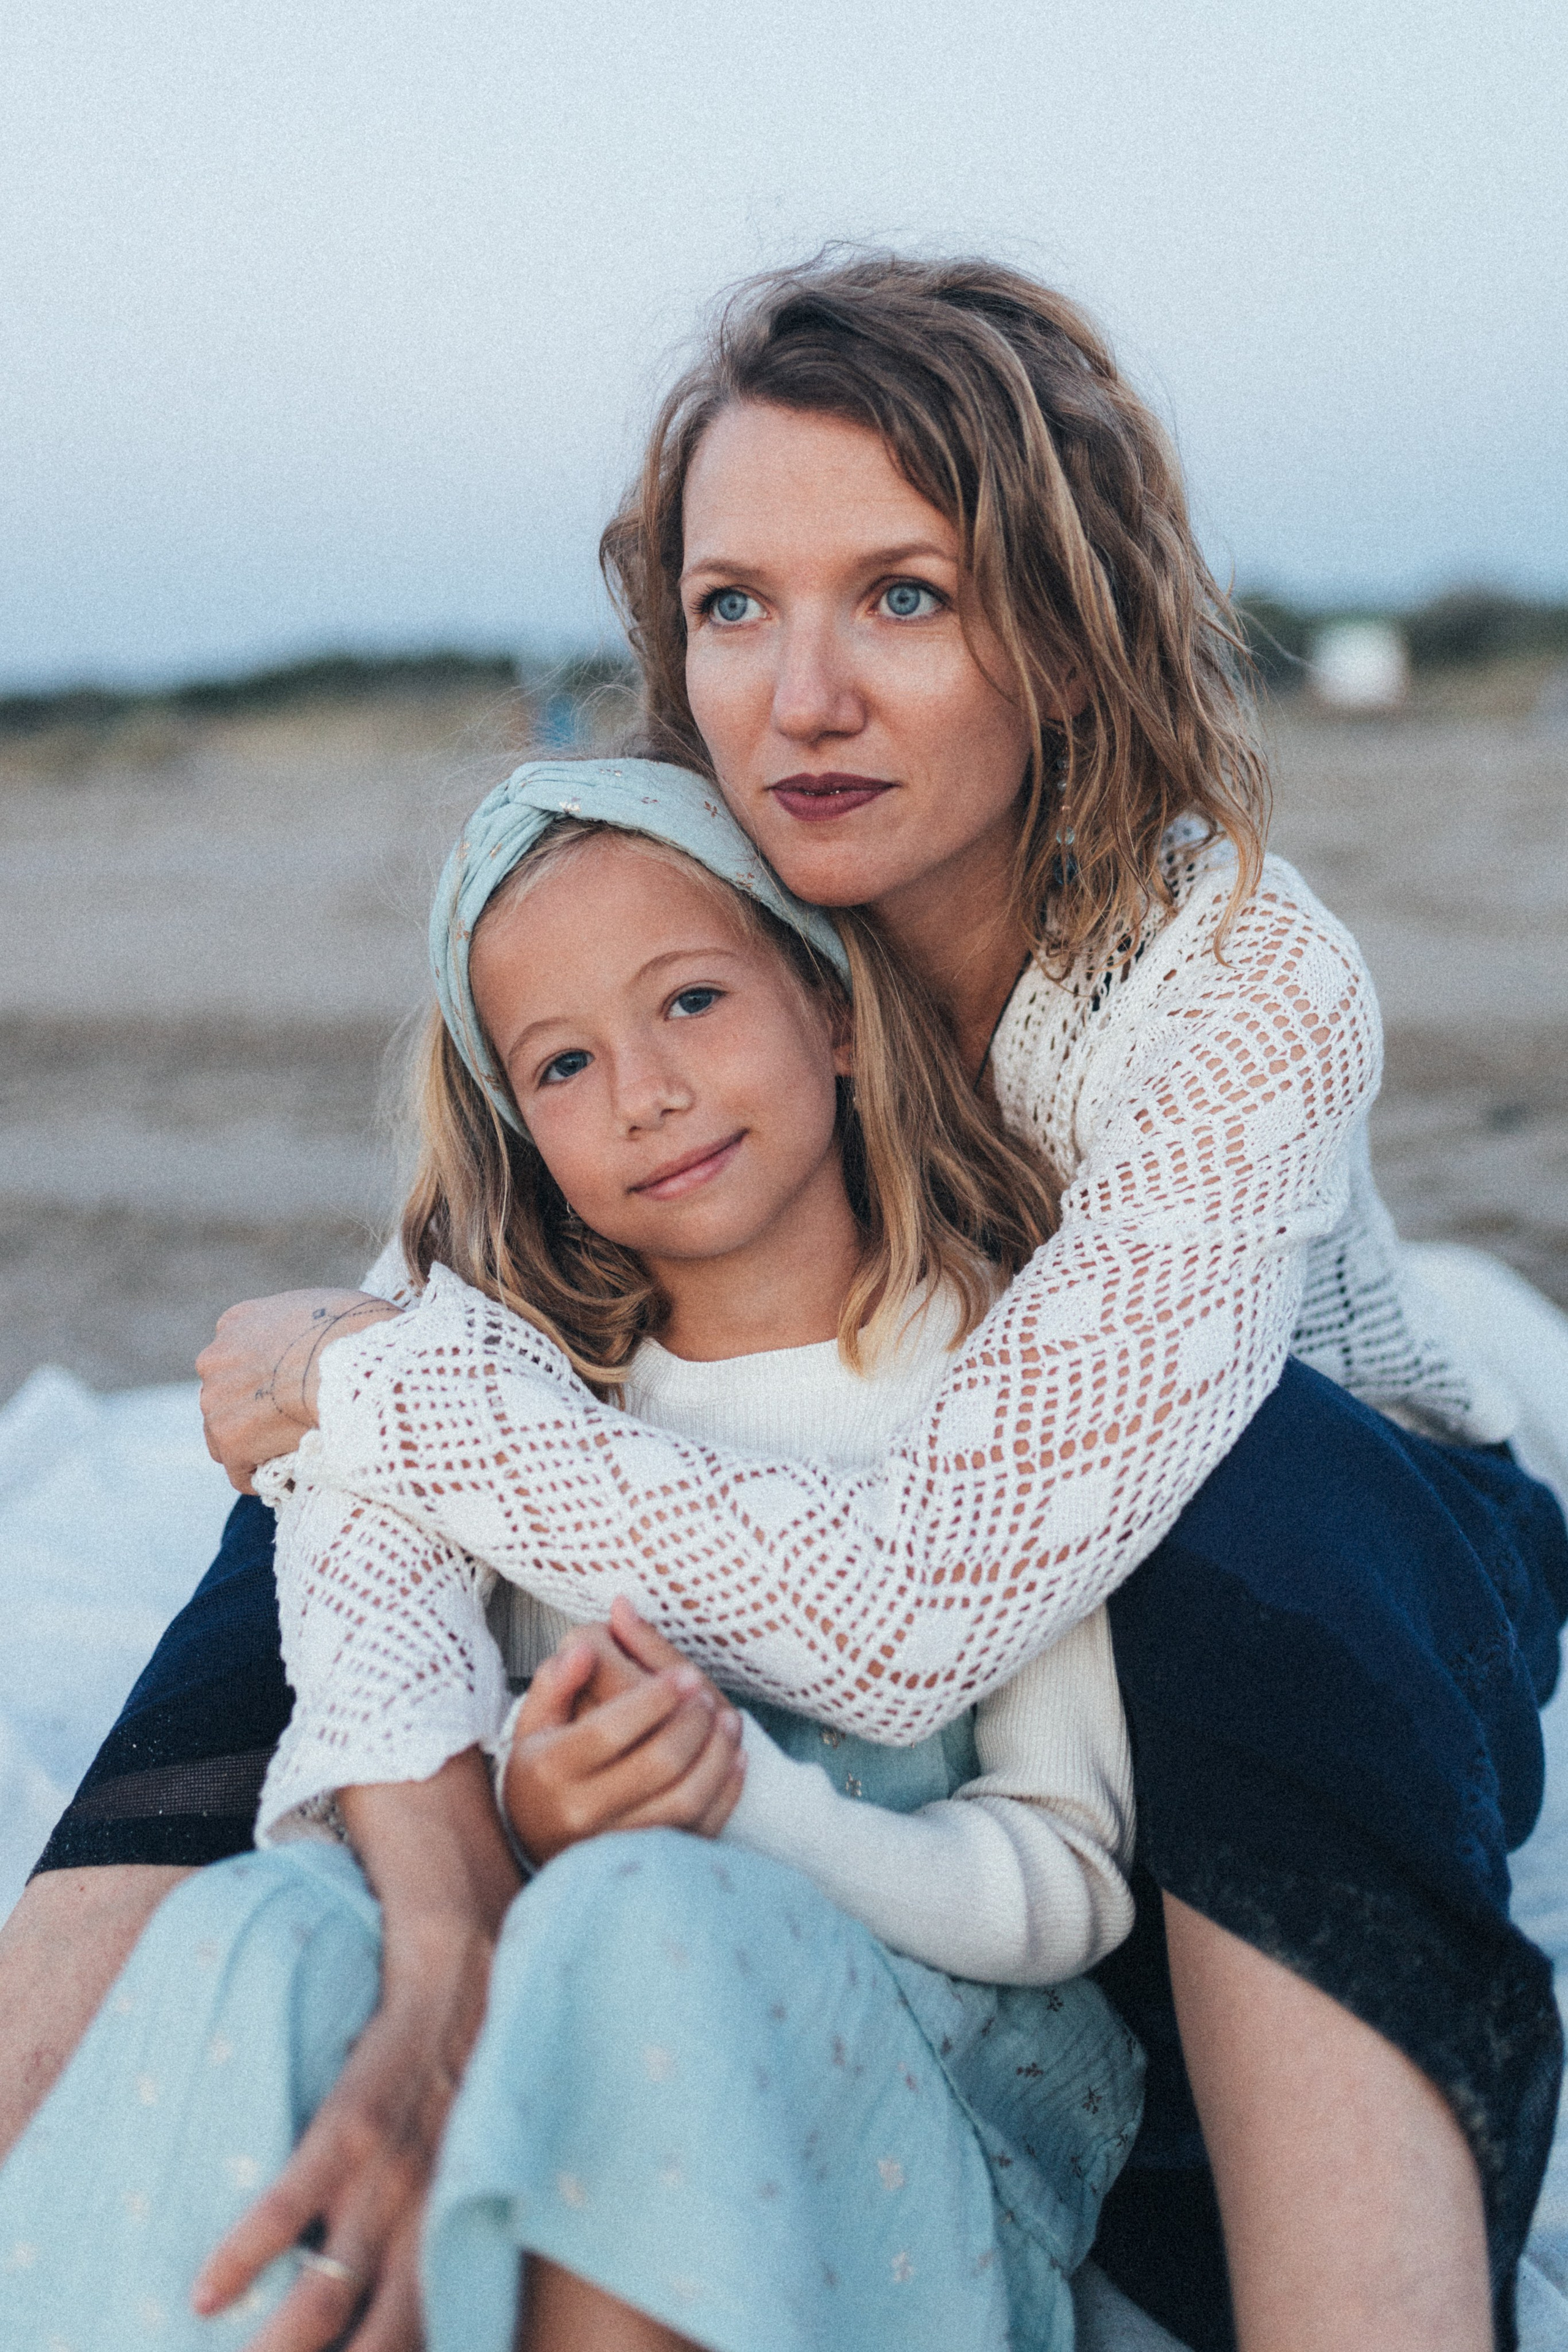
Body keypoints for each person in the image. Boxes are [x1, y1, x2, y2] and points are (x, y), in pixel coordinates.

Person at [4, 252, 1565, 2352]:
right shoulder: (668, 904)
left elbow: (922, 1609)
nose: (799, 697)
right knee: (337, 1458)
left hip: (1296, 1574)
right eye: (737, 604)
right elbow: (388, 1432)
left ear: (1069, 635)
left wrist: (381, 1386)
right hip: (853, 1661)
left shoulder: (1235, 988)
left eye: (905, 596)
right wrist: (449, 1911)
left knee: (1261, 1484)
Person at [0, 764, 1148, 2352]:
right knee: (255, 1929)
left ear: (829, 1007)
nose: (645, 1091)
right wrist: (530, 1813)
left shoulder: (994, 1381)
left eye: (690, 999)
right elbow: (426, 1739)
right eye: (563, 1063)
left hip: (908, 2088)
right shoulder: (517, 1395)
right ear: (523, 1133)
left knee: (642, 1911)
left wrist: (750, 1807)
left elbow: (1071, 1883)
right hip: (566, 2029)